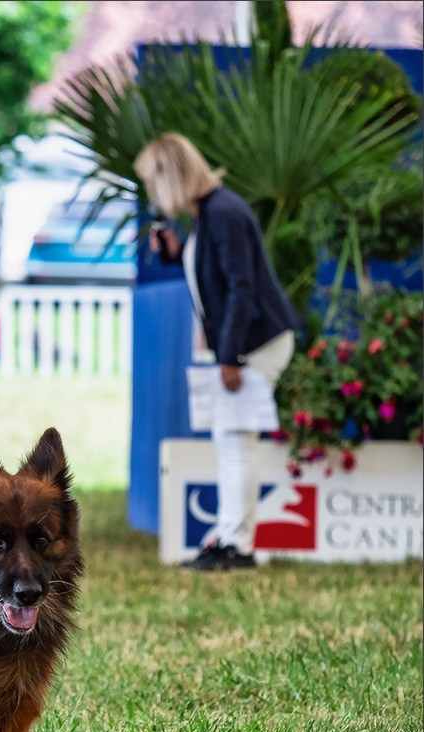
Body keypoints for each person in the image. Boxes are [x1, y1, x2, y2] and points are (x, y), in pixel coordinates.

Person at [133, 132, 300, 572]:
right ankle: (229, 536)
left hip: (256, 342)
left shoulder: (222, 213)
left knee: (236, 441)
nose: (153, 193)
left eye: (154, 181)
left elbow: (241, 287)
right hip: (248, 342)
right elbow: (216, 276)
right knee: (231, 441)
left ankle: (238, 543)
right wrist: (175, 254)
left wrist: (229, 356)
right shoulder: (209, 214)